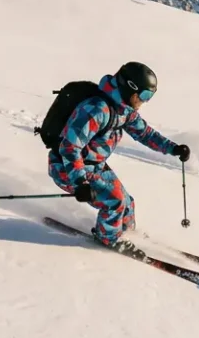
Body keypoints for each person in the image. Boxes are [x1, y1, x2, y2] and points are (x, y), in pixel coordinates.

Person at [49, 62, 191, 253]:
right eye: (144, 95)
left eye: (149, 96)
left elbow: (145, 134)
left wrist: (173, 149)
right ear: (129, 88)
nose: (144, 101)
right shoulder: (97, 110)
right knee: (115, 202)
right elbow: (69, 147)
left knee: (127, 203)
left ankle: (126, 233)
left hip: (95, 166)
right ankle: (109, 239)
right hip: (69, 168)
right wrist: (79, 181)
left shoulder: (124, 111)